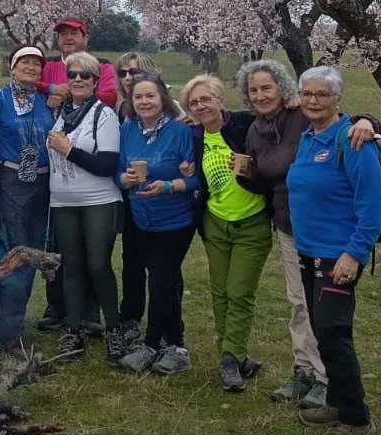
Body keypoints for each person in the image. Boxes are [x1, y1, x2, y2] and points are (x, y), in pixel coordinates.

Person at [238, 59, 378, 407]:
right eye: (253, 90)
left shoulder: (303, 116)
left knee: (323, 313)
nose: (260, 95)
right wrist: (247, 174)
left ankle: (327, 379)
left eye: (267, 87)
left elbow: (345, 120)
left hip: (332, 237)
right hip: (292, 228)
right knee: (299, 303)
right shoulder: (256, 130)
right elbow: (267, 179)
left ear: (283, 90)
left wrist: (368, 122)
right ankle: (305, 370)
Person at [287, 66, 381, 435]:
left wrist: (354, 253)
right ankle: (338, 399)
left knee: (333, 333)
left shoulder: (355, 141)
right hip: (308, 253)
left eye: (322, 95)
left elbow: (372, 205)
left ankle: (356, 419)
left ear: (338, 99)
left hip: (339, 256)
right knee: (319, 328)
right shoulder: (309, 138)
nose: (313, 101)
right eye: (307, 94)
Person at [182, 73, 271, 393]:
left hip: (252, 221)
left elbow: (288, 122)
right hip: (215, 223)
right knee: (220, 292)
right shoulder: (193, 136)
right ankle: (233, 356)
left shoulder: (247, 125)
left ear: (220, 99)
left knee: (239, 291)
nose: (201, 106)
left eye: (206, 99)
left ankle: (231, 356)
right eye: (194, 102)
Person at [115, 73, 200, 375]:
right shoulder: (128, 130)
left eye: (150, 95)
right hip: (142, 218)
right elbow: (118, 173)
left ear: (162, 98)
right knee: (168, 282)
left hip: (175, 220)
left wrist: (167, 186)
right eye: (138, 97)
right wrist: (126, 179)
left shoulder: (181, 131)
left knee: (161, 281)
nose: (144, 102)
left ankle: (150, 346)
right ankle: (177, 346)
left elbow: (194, 178)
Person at [47, 52, 125, 364]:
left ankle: (114, 330)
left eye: (85, 76)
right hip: (63, 201)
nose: (78, 80)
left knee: (98, 265)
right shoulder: (61, 112)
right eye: (73, 75)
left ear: (95, 82)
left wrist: (69, 150)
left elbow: (108, 163)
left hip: (98, 201)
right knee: (72, 265)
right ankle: (74, 329)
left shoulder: (102, 115)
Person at [0, 46, 56, 347]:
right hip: (10, 181)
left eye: (36, 64)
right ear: (13, 67)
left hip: (42, 182)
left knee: (34, 252)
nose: (30, 67)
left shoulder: (46, 101)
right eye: (24, 62)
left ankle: (15, 321)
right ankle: (7, 330)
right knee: (17, 251)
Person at [107, 52, 161, 346]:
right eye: (124, 73)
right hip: (131, 197)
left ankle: (165, 323)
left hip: (164, 200)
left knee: (163, 266)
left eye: (135, 72)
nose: (129, 78)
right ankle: (130, 317)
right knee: (132, 260)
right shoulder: (120, 112)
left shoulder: (170, 110)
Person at [38, 18, 118, 110]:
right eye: (63, 34)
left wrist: (69, 97)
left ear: (85, 38)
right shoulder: (46, 64)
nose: (68, 38)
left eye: (74, 33)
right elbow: (27, 84)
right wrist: (51, 88)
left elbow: (110, 98)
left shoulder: (102, 65)